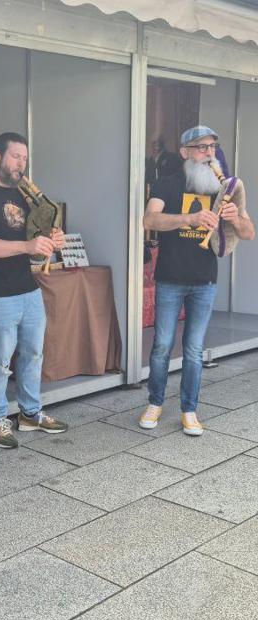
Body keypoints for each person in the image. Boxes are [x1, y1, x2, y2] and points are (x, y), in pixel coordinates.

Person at [0, 132, 68, 450]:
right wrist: (26, 244)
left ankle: (30, 413)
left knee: (33, 354)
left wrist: (48, 244)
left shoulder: (22, 196)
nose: (21, 163)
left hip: (27, 288)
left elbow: (32, 250)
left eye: (25, 157)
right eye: (15, 156)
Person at [140, 125, 255, 436]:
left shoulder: (222, 188)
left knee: (193, 349)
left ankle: (189, 410)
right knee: (162, 345)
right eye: (202, 147)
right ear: (184, 152)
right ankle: (155, 403)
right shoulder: (168, 183)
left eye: (213, 147)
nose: (209, 153)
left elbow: (248, 233)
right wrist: (188, 219)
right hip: (169, 278)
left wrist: (235, 217)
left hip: (204, 281)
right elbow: (149, 220)